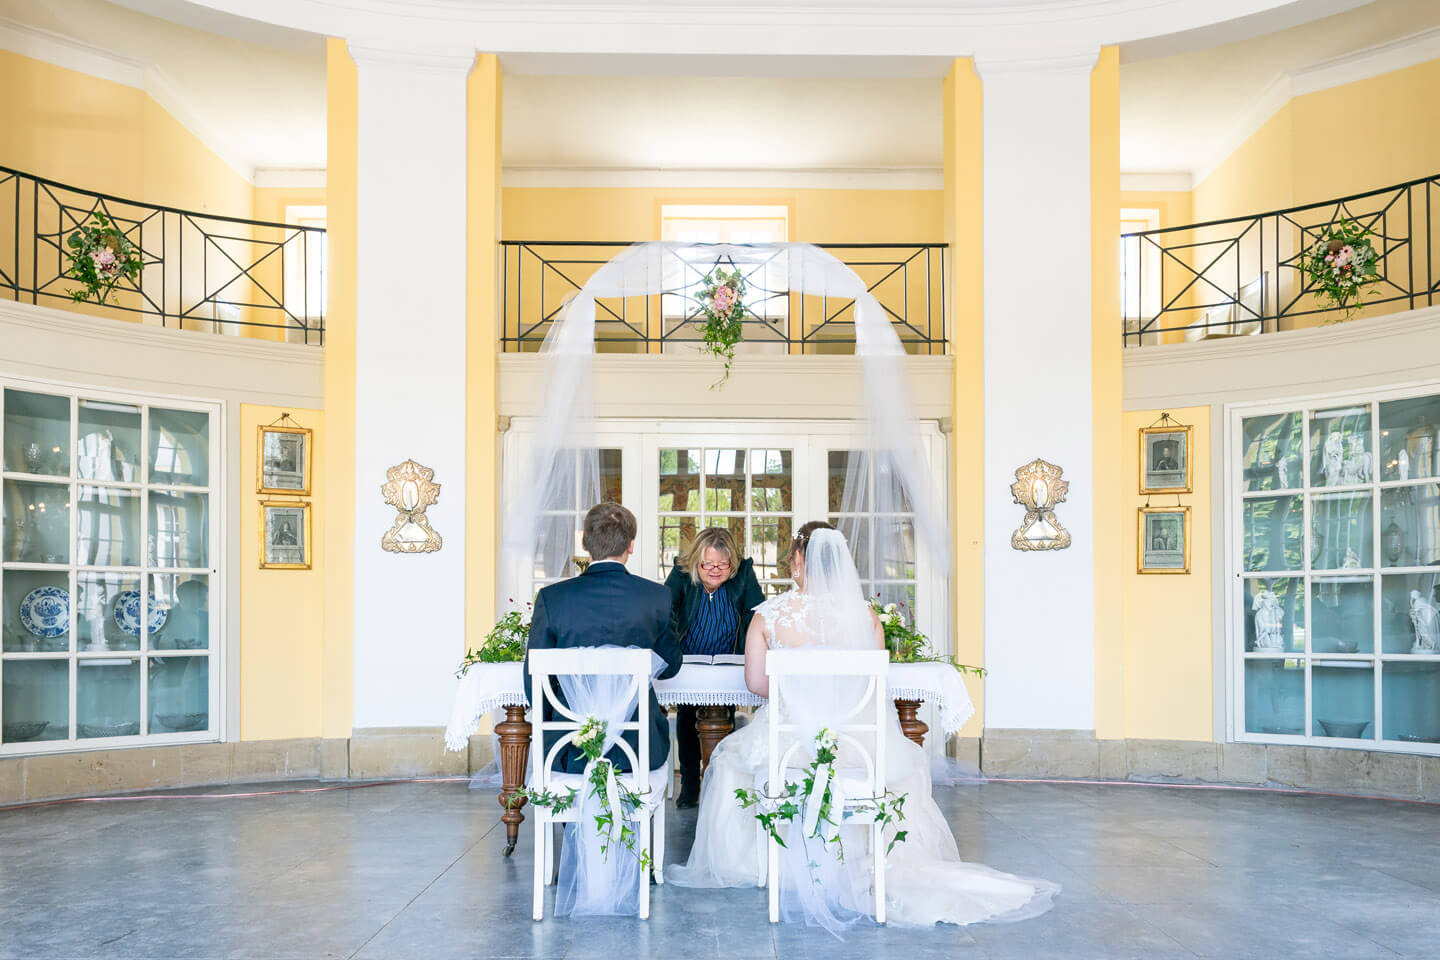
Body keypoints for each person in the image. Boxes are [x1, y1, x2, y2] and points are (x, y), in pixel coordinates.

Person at [668, 525, 1058, 932]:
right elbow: (874, 685)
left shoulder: (769, 616)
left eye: (793, 558)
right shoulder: (865, 617)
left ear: (799, 560)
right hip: (853, 745)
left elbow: (755, 684)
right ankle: (864, 859)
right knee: (900, 768)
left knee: (730, 766)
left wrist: (796, 696)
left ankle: (763, 864)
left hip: (791, 746)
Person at [524, 502, 683, 774]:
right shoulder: (656, 597)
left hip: (568, 749)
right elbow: (670, 666)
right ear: (631, 545)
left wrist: (557, 725)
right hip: (639, 750)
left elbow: (534, 684)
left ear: (584, 544)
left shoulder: (553, 598)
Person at [664, 527, 765, 808]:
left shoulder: (743, 573)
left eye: (722, 564)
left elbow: (757, 613)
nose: (715, 570)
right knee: (687, 719)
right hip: (689, 662)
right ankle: (690, 786)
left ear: (732, 563)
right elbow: (665, 612)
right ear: (697, 561)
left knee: (723, 719)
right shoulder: (682, 572)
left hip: (727, 662)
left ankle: (719, 784)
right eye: (708, 564)